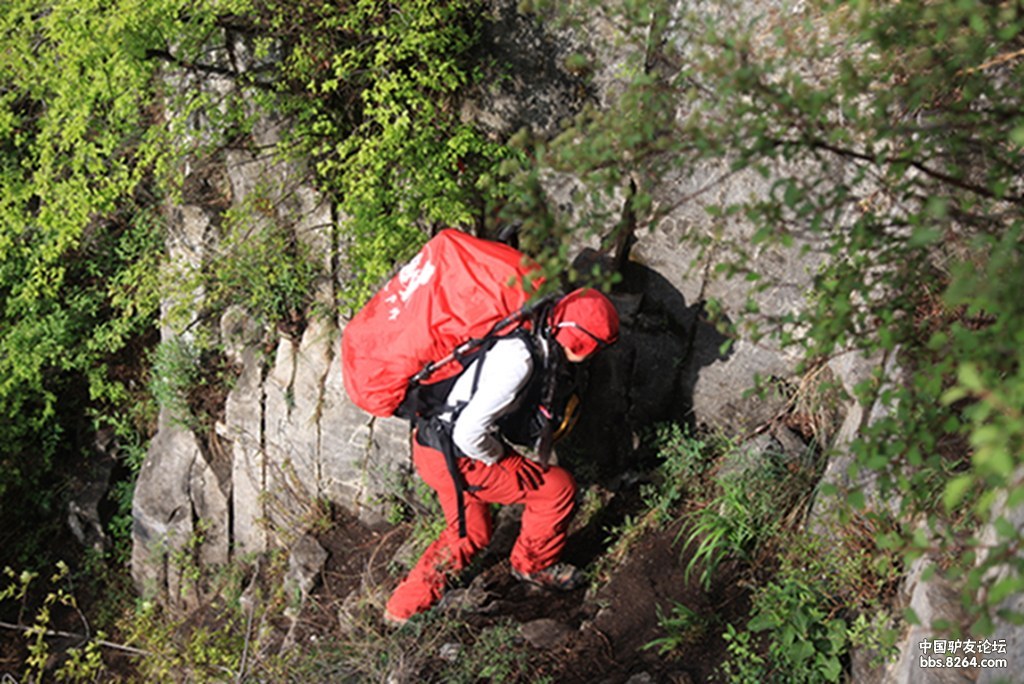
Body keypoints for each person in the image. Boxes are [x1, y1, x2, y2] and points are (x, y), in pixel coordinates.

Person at [383, 288, 620, 625]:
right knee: (556, 488)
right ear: (580, 342)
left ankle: (402, 609)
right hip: (457, 454)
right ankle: (534, 566)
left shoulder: (524, 323)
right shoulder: (519, 362)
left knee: (471, 533)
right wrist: (508, 460)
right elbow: (470, 431)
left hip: (431, 443)